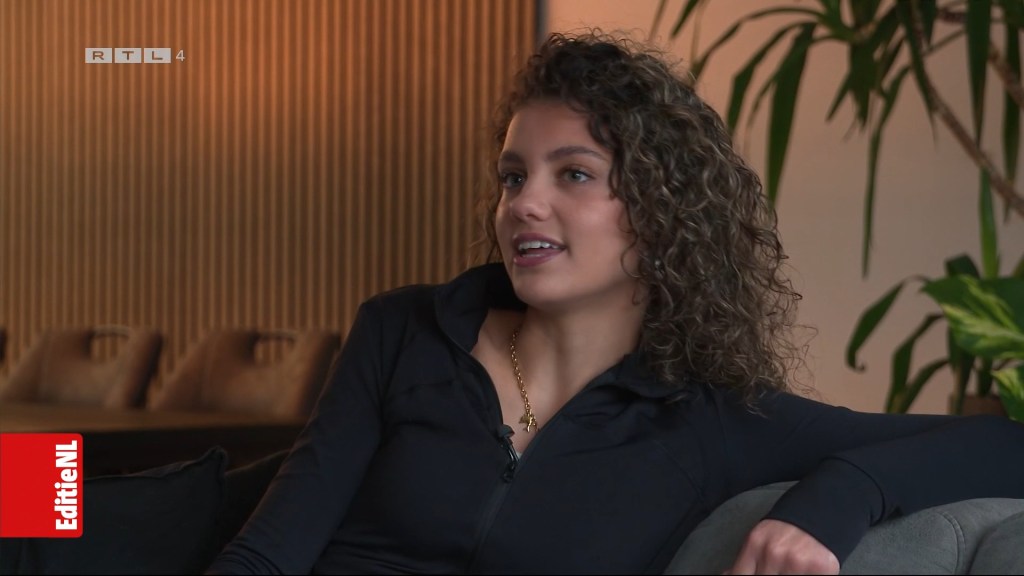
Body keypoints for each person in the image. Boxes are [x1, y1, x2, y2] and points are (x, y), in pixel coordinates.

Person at [206, 31, 1024, 575]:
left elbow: (1004, 445)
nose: (524, 204)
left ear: (663, 213)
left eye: (574, 174)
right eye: (513, 177)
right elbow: (267, 556)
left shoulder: (708, 421)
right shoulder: (405, 332)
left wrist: (839, 497)